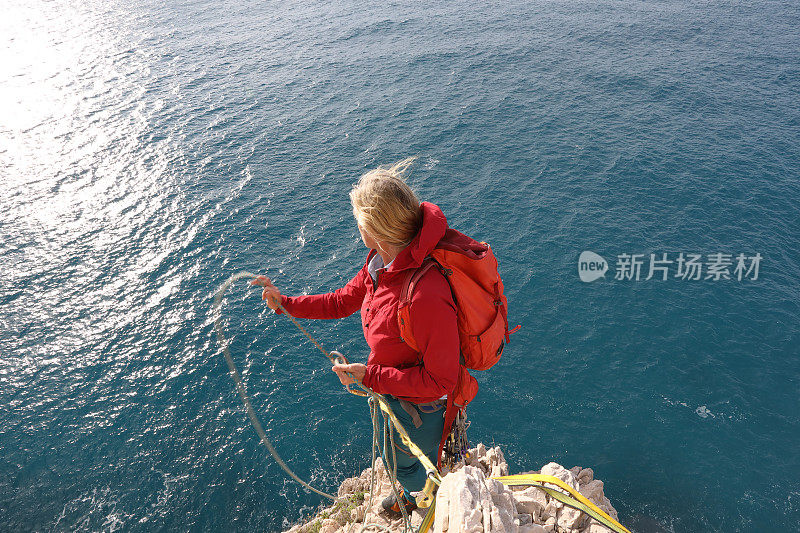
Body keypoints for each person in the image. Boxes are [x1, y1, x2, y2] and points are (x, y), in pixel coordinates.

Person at [251, 158, 460, 517]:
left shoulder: (426, 294)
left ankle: (426, 500)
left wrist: (371, 377)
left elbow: (441, 379)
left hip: (423, 408)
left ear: (374, 229)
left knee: (407, 465)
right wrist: (285, 303)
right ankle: (416, 492)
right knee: (394, 454)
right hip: (395, 391)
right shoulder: (381, 265)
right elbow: (340, 301)